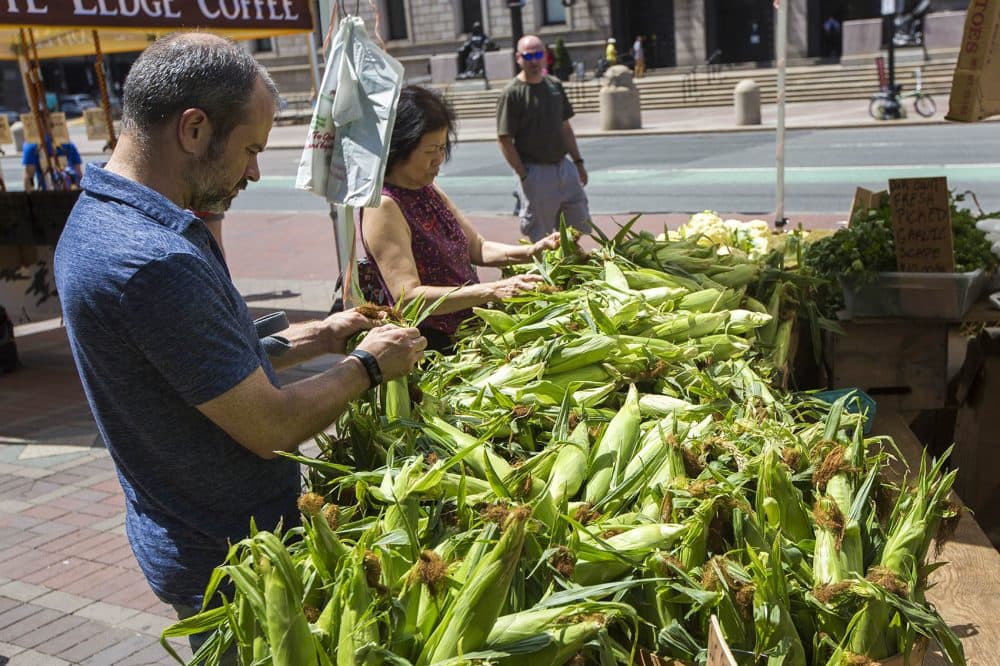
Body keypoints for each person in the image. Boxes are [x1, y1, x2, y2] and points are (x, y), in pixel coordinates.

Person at [53, 32, 426, 654]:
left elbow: (192, 362)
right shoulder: (151, 259)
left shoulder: (104, 214)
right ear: (194, 129)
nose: (255, 171)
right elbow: (268, 425)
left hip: (190, 529)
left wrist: (317, 336)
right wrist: (368, 366)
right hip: (226, 558)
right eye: (251, 149)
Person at [363, 85, 558, 353]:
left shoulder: (426, 190)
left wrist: (531, 252)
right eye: (431, 150)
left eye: (443, 148)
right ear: (399, 147)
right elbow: (408, 297)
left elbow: (477, 247)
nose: (439, 159)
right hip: (431, 347)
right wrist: (493, 290)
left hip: (467, 335)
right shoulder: (384, 206)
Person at [496, 34, 591, 243]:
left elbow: (565, 127)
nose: (534, 60)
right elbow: (504, 139)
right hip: (535, 171)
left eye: (538, 54)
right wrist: (523, 175)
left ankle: (570, 268)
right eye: (528, 56)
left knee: (577, 225)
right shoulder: (512, 93)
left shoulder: (554, 85)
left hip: (564, 168)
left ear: (545, 56)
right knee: (541, 236)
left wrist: (578, 163)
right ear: (518, 58)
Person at [22, 116, 84, 192]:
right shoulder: (68, 143)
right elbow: (78, 172)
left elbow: (29, 176)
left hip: (48, 193)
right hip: (70, 191)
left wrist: (29, 200)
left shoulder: (32, 145)